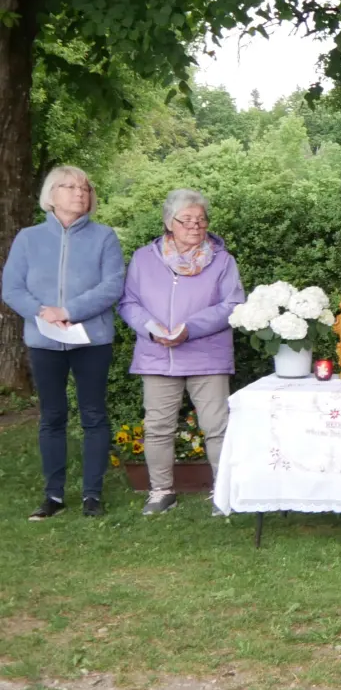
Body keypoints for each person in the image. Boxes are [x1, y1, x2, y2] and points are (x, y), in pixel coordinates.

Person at [3, 166, 125, 520]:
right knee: (52, 416)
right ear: (51, 195)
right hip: (44, 340)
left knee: (93, 416)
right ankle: (53, 496)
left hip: (92, 340)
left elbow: (112, 285)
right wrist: (43, 313)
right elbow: (12, 288)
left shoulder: (105, 237)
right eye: (69, 186)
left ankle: (92, 495)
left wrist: (69, 309)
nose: (79, 193)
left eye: (84, 188)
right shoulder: (28, 238)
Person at [117, 189, 246, 516]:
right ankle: (161, 492)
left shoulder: (222, 260)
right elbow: (129, 303)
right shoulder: (144, 259)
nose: (195, 226)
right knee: (157, 427)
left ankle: (223, 491)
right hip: (157, 355)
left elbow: (233, 305)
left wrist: (190, 327)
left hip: (207, 355)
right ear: (168, 222)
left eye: (201, 220)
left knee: (217, 426)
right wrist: (150, 327)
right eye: (186, 220)